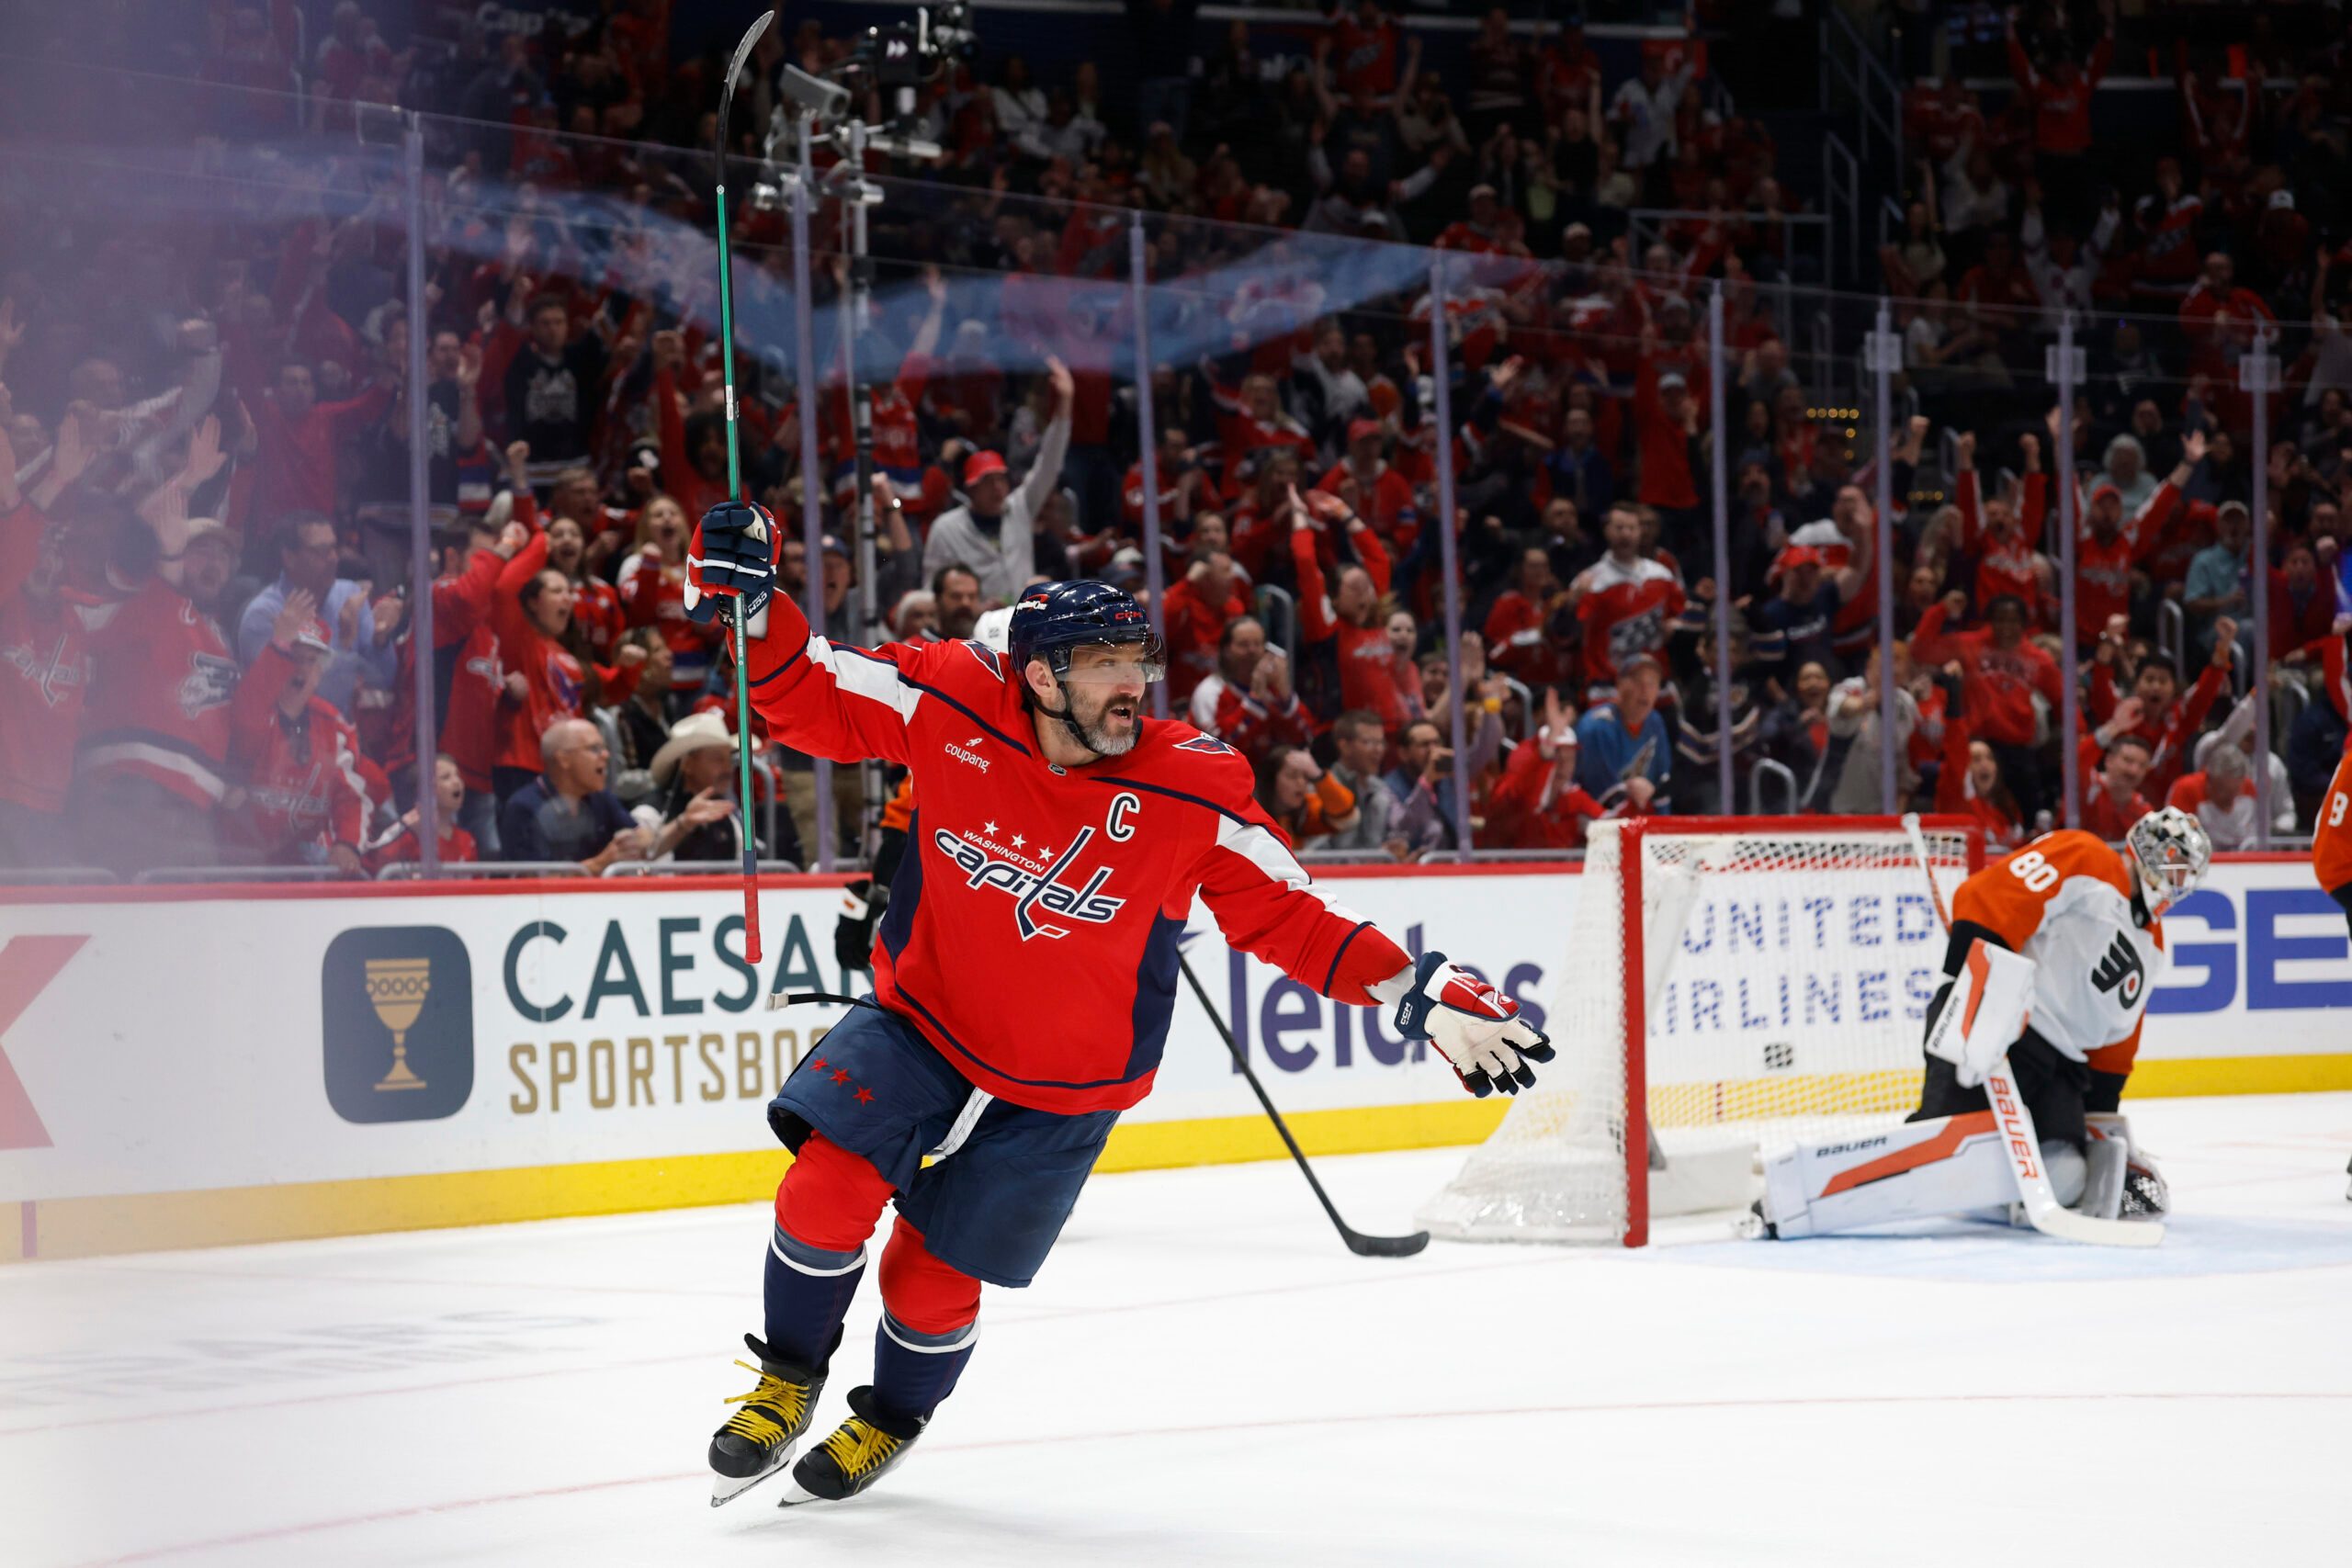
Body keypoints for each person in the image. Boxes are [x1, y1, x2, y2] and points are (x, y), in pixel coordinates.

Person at [684, 500, 1549, 1506]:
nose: (1130, 684)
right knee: (827, 1188)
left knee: (929, 1275)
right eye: (1102, 664)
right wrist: (751, 608)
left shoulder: (1194, 782)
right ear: (1039, 674)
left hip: (1068, 1081)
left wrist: (1412, 990)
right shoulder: (954, 697)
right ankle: (786, 1383)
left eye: (1136, 661)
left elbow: (1292, 918)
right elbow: (812, 690)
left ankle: (889, 1418)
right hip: (922, 1017)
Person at [1760, 809, 2211, 1239]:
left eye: (2184, 867)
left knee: (2066, 1177)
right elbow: (1988, 898)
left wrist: (2102, 1129)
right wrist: (1968, 1000)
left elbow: (2116, 1052)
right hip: (2001, 1031)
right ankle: (1796, 1194)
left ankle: (1983, 1197)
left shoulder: (2153, 948)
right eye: (2170, 857)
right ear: (2144, 845)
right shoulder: (2088, 856)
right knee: (1940, 1152)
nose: (2174, 873)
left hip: (2062, 1072)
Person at [922, 359, 1073, 603]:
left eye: (1001, 479)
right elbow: (932, 589)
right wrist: (975, 608)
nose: (998, 488)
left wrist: (1065, 403)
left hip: (1022, 623)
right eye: (987, 482)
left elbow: (1049, 463)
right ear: (970, 489)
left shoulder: (1020, 508)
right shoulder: (946, 528)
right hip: (973, 629)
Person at [498, 717, 644, 870]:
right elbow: (531, 882)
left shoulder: (600, 796)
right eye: (595, 749)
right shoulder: (522, 808)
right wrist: (599, 864)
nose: (606, 755)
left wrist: (645, 839)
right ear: (563, 759)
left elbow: (642, 837)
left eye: (604, 748)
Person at [640, 709, 779, 864]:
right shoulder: (650, 814)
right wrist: (683, 823)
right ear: (687, 764)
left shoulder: (727, 816)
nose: (728, 769)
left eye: (729, 759)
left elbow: (741, 869)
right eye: (717, 759)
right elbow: (641, 862)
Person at [1574, 651, 1668, 813]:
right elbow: (1603, 799)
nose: (1645, 690)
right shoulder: (1597, 728)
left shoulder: (1655, 721)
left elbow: (1663, 782)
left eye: (1652, 683)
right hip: (1595, 824)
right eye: (1638, 682)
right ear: (1619, 685)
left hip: (1639, 820)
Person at [1315, 709, 1408, 856]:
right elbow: (1316, 853)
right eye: (1369, 742)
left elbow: (1397, 831)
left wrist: (1391, 849)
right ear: (1344, 746)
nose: (1378, 750)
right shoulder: (1321, 788)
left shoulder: (1381, 788)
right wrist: (1374, 856)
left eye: (1381, 742)